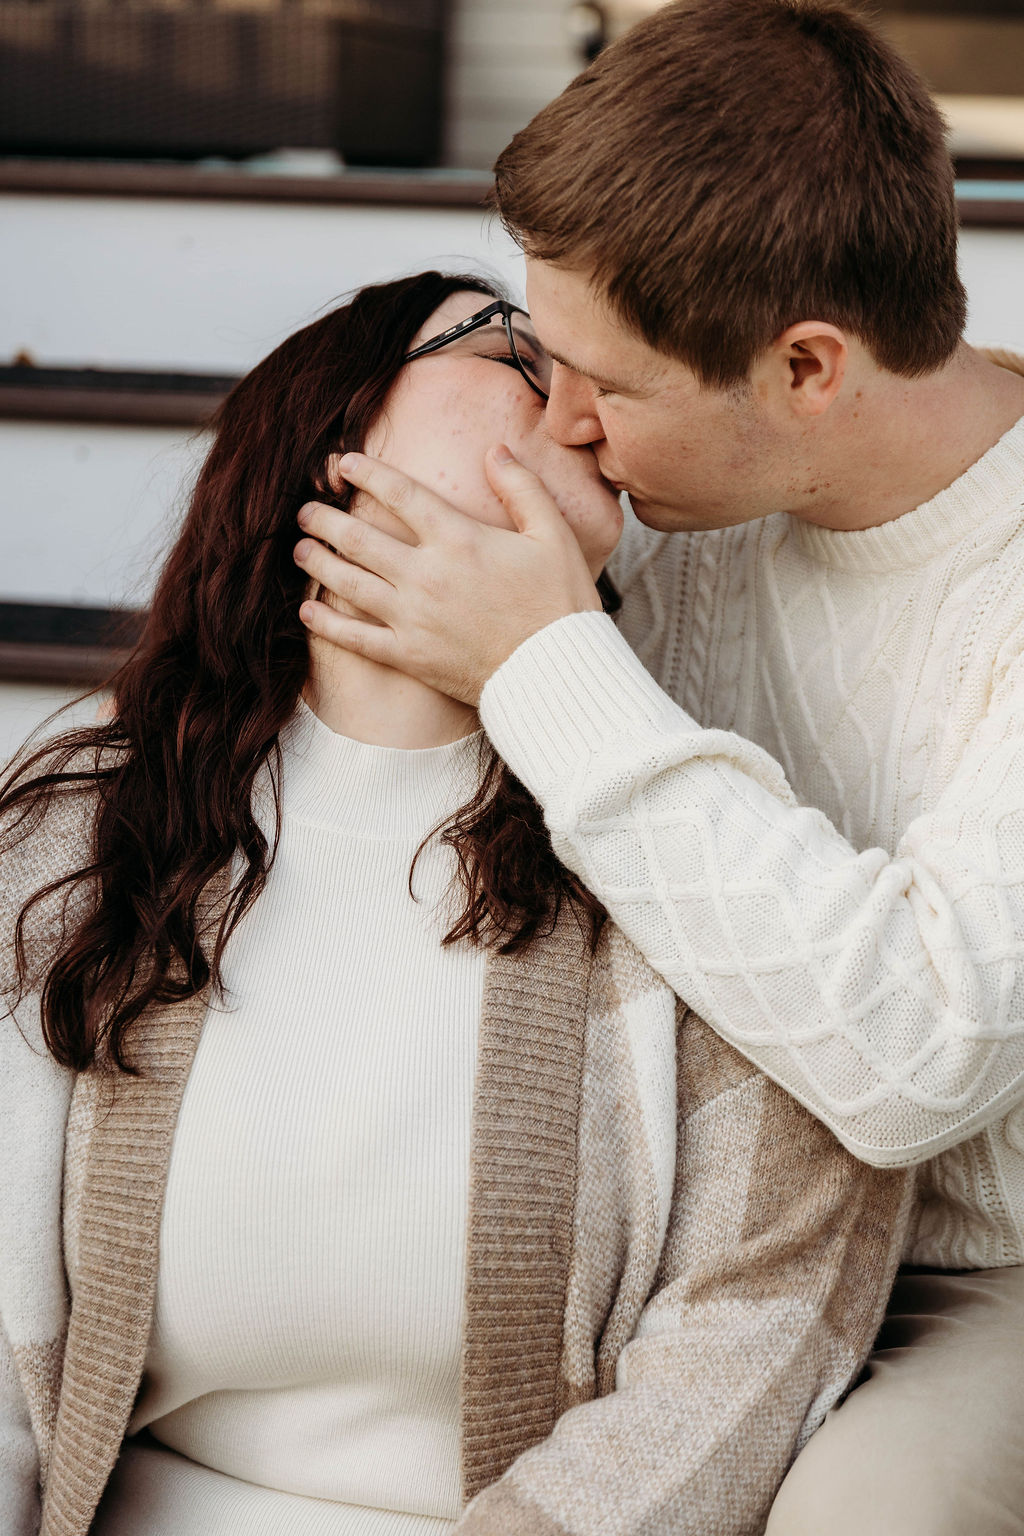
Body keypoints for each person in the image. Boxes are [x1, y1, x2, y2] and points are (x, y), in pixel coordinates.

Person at [0, 270, 907, 1536]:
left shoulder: (700, 852)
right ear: (333, 428)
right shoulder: (81, 829)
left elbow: (751, 1345)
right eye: (515, 355)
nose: (583, 411)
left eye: (600, 378)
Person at [287, 4, 1024, 1533]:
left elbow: (922, 1059)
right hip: (678, 1224)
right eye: (539, 356)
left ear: (807, 367)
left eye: (604, 386)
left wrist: (542, 663)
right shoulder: (683, 499)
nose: (561, 425)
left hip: (974, 1266)